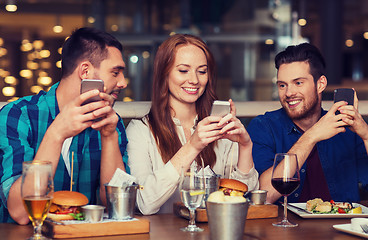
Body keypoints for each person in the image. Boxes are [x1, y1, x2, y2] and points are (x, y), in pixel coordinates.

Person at [0, 27, 128, 224]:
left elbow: (118, 209)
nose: (123, 82)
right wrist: (56, 134)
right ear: (85, 71)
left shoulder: (111, 123)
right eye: (116, 72)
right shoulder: (18, 115)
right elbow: (20, 213)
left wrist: (110, 136)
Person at [126, 34, 259, 215]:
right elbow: (144, 204)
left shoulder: (218, 125)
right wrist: (193, 146)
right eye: (183, 70)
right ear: (164, 75)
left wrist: (245, 146)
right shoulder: (140, 131)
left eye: (202, 71)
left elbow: (245, 197)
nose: (194, 80)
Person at [247, 42, 368, 204]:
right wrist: (311, 136)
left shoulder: (348, 129)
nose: (289, 93)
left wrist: (366, 135)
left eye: (298, 83)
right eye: (282, 85)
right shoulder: (263, 127)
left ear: (320, 84)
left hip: (341, 226)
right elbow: (265, 196)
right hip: (284, 228)